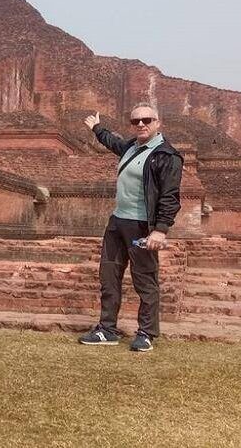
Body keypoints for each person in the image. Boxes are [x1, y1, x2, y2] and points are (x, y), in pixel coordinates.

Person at [79, 103, 183, 352]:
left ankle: (146, 333)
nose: (141, 124)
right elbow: (112, 142)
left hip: (142, 226)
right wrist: (97, 128)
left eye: (146, 120)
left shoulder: (166, 156)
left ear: (158, 122)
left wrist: (160, 230)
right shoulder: (130, 147)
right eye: (135, 121)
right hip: (117, 222)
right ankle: (107, 329)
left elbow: (170, 196)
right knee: (109, 276)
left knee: (144, 280)